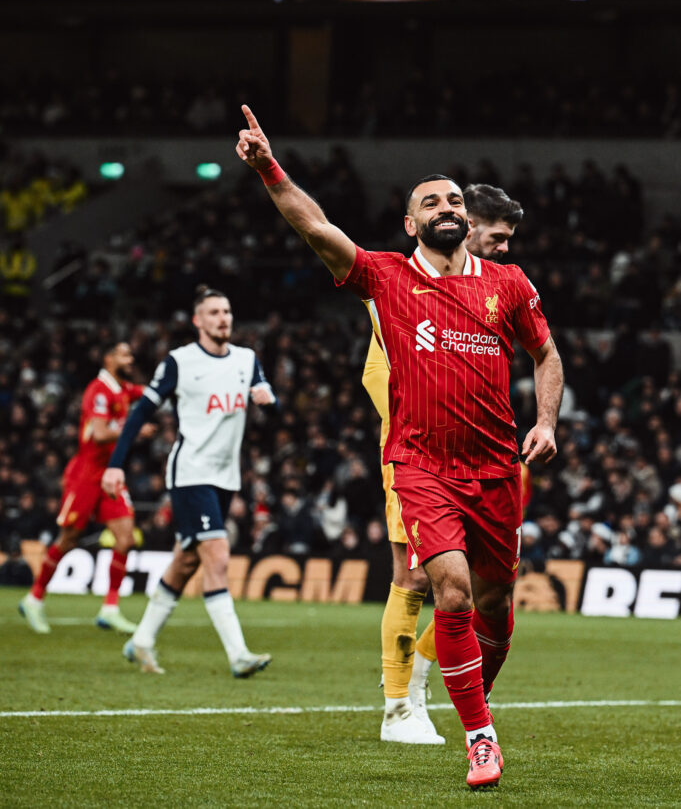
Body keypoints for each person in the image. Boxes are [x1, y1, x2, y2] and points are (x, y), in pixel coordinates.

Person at [236, 106, 563, 789]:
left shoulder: (508, 282)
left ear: (464, 218)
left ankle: (470, 695)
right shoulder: (384, 276)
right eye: (429, 202)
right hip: (420, 464)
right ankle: (477, 736)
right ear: (411, 223)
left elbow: (546, 352)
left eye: (452, 198)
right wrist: (268, 166)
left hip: (496, 465)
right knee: (446, 591)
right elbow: (313, 225)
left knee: (494, 603)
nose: (445, 206)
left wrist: (546, 421)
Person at [362, 183, 525, 746]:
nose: (503, 250)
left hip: (483, 458)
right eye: (497, 238)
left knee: (481, 593)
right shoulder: (403, 281)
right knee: (414, 578)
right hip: (417, 453)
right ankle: (399, 706)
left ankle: (426, 689)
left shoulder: (497, 288)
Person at [101, 285, 276, 678]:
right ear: (198, 320)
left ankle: (142, 641)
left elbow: (267, 397)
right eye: (213, 312)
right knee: (217, 554)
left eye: (227, 311)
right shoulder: (179, 362)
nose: (223, 318)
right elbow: (139, 414)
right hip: (191, 472)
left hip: (226, 474)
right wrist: (116, 464)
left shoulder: (247, 360)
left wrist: (270, 400)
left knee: (186, 561)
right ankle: (238, 654)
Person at [19, 341, 153, 634]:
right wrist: (134, 428)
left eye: (131, 353)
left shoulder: (123, 389)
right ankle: (34, 599)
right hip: (86, 476)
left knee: (126, 538)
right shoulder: (98, 390)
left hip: (111, 475)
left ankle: (110, 609)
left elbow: (151, 392)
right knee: (68, 539)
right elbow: (102, 432)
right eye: (124, 353)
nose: (130, 358)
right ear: (108, 358)